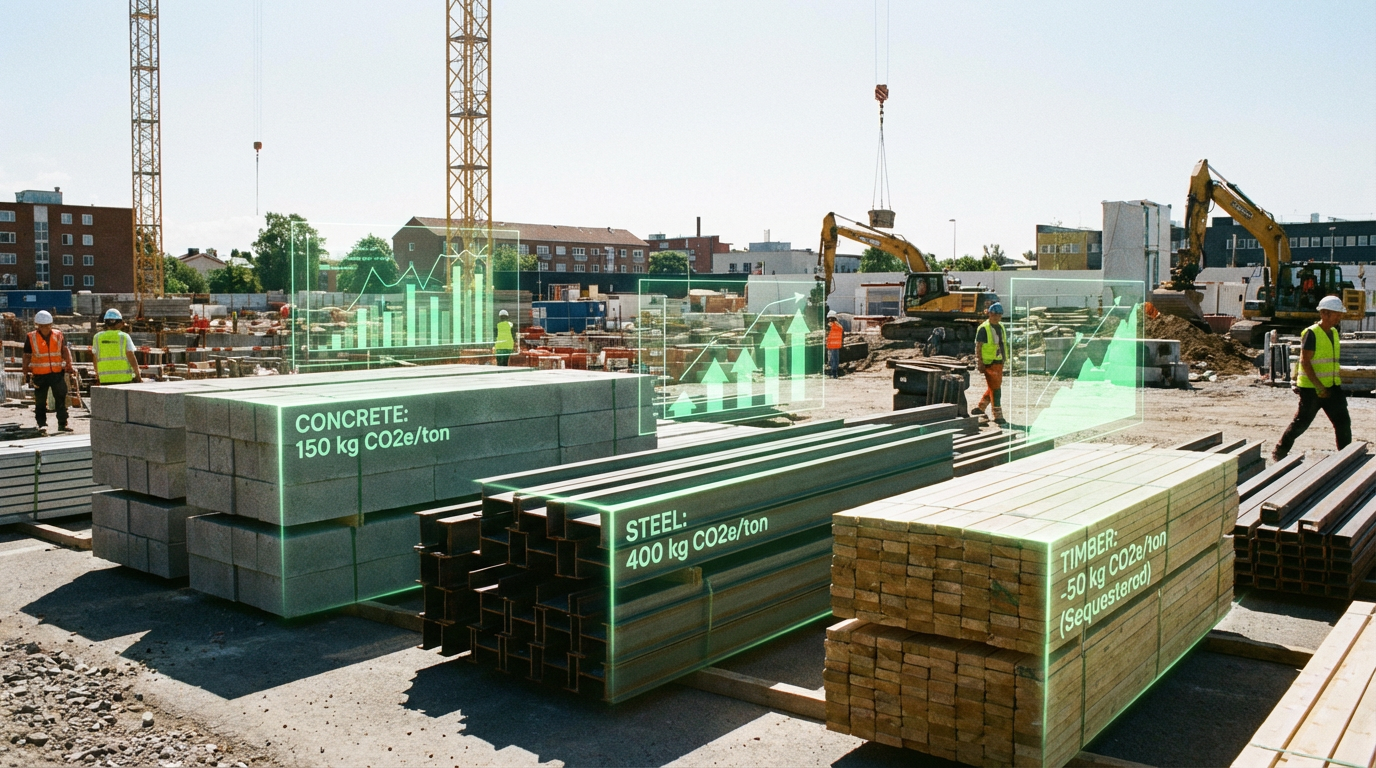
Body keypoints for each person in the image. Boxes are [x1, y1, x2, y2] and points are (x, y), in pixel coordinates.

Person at [1274, 295, 1350, 460]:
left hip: (1331, 386)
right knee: (1301, 423)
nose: (1339, 317)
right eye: (1336, 313)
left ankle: (1346, 456)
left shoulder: (1334, 332)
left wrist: (1329, 385)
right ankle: (1279, 452)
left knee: (1343, 422)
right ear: (1324, 313)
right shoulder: (1311, 333)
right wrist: (1318, 387)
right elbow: (1305, 362)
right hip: (1311, 389)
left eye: (1340, 313)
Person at [22, 310, 75, 434]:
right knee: (40, 401)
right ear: (38, 326)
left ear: (51, 325)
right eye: (42, 326)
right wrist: (25, 370)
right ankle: (42, 424)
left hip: (56, 373)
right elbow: (26, 355)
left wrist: (69, 364)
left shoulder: (58, 335)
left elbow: (65, 350)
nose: (45, 328)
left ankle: (62, 424)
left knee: (61, 399)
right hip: (40, 375)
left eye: (47, 326)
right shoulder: (31, 337)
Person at [974, 302, 1008, 425]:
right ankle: (998, 415)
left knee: (993, 387)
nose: (997, 317)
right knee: (996, 390)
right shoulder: (984, 328)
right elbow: (978, 346)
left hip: (999, 361)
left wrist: (1005, 359)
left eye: (999, 315)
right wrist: (980, 362)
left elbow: (1003, 344)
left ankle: (980, 408)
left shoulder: (1001, 327)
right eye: (994, 315)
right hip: (989, 362)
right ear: (990, 314)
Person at [93, 309, 143, 387]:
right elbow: (130, 356)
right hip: (123, 379)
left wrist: (97, 375)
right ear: (118, 323)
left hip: (105, 379)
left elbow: (95, 358)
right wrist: (137, 374)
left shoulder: (97, 337)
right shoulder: (124, 337)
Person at [826, 312, 844, 378]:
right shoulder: (839, 326)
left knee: (832, 360)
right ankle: (834, 373)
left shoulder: (830, 326)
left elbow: (828, 334)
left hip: (831, 345)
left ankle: (833, 373)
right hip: (836, 345)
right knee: (835, 360)